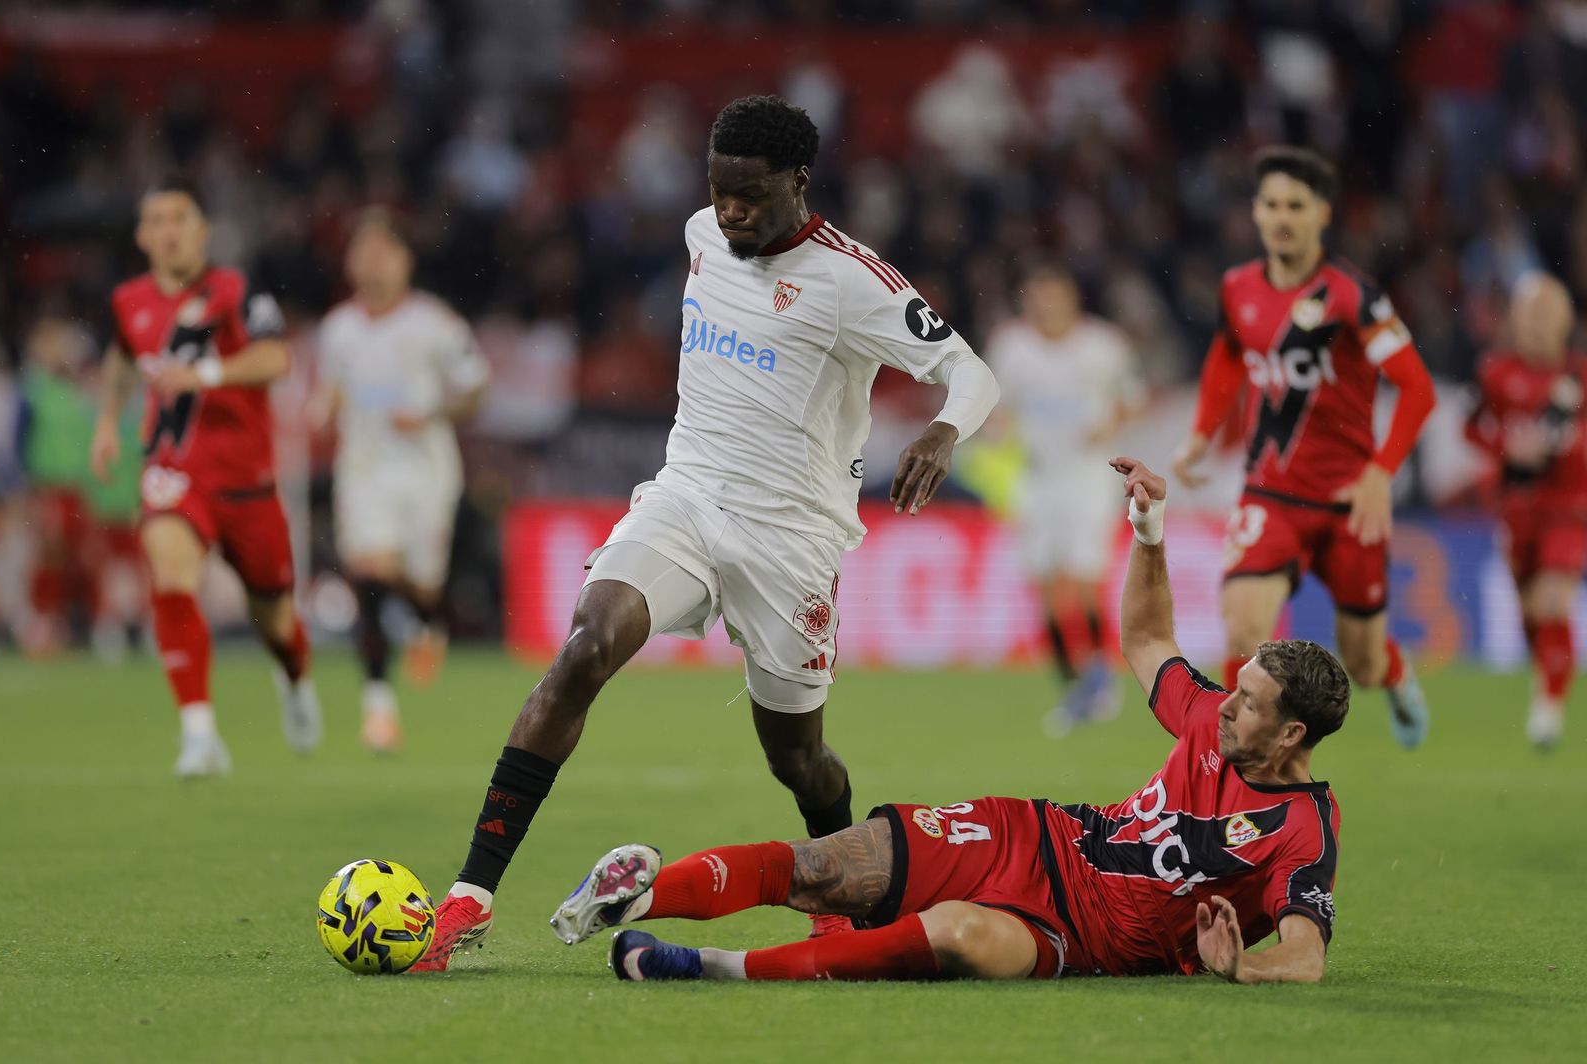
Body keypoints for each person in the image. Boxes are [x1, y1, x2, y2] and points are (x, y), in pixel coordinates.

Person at [411, 95, 1000, 971]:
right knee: (584, 649)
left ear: (799, 182)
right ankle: (470, 896)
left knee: (799, 762)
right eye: (720, 192)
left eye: (752, 196)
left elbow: (970, 371)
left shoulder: (853, 281)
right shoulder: (701, 235)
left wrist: (944, 430)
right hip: (686, 497)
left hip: (790, 538)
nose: (731, 213)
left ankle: (839, 895)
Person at [547, 456, 1344, 986]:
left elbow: (1306, 952)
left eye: (1250, 703)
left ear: (1291, 736)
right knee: (835, 865)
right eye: (1234, 690)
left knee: (957, 932)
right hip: (1041, 837)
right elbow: (1144, 638)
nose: (1226, 705)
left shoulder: (1300, 828)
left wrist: (1245, 969)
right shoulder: (1211, 721)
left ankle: (710, 967)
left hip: (1086, 939)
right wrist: (1149, 532)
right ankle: (634, 901)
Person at [1170, 146, 1437, 749]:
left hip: (1349, 501)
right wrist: (1200, 434)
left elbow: (1418, 390)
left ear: (1322, 213)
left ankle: (1395, 674)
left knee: (1362, 665)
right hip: (1273, 492)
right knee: (1242, 629)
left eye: (1296, 205)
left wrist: (1379, 474)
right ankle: (1235, 764)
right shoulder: (1238, 287)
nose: (1281, 216)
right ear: (1256, 213)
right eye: (1270, 204)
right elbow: (1228, 355)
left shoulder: (1352, 297)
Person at [90, 177, 321, 777]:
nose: (168, 230)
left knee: (275, 617)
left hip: (247, 481)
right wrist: (109, 423)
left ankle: (294, 678)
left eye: (180, 217)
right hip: (172, 471)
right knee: (170, 575)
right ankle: (199, 733)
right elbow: (121, 356)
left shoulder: (236, 291)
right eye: (157, 220)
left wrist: (207, 374)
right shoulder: (129, 302)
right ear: (143, 236)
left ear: (201, 229)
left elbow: (277, 357)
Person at [313, 210, 489, 754]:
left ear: (403, 261)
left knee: (420, 586)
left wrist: (433, 413)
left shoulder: (434, 324)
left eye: (381, 252)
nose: (371, 263)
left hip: (424, 472)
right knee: (369, 570)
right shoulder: (338, 329)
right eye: (361, 252)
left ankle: (426, 624)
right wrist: (323, 409)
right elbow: (332, 390)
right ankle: (378, 707)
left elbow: (475, 390)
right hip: (365, 469)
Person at [986, 262, 1145, 734]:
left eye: (1053, 297)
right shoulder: (1012, 347)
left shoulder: (1102, 345)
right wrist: (998, 428)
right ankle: (1074, 684)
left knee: (1082, 580)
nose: (1046, 307)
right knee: (1045, 587)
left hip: (1086, 477)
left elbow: (1132, 397)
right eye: (1038, 298)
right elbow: (1001, 404)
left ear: (1072, 299)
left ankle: (1099, 677)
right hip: (1037, 479)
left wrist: (1109, 427)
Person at [1465, 272, 1585, 748]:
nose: (1538, 324)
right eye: (1530, 313)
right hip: (1517, 509)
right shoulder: (1496, 373)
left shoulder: (1577, 376)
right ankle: (1549, 671)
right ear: (1515, 319)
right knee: (1532, 612)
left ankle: (1549, 708)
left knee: (1556, 600)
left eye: (1547, 314)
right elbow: (1471, 427)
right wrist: (1507, 448)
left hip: (1568, 507)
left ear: (1565, 320)